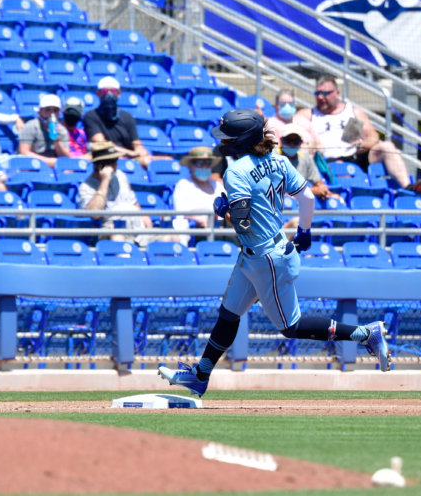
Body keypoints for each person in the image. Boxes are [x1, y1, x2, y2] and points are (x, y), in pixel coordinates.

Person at [158, 110, 391, 397]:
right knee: (228, 315)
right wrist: (304, 231)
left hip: (265, 257)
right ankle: (200, 375)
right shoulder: (278, 159)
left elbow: (242, 221)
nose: (222, 142)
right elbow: (306, 197)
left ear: (240, 139)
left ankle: (366, 334)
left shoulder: (237, 171)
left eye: (227, 137)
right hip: (260, 252)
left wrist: (222, 211)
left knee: (291, 327)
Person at [296, 75, 421, 193]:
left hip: (354, 155)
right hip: (325, 159)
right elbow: (292, 131)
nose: (320, 97)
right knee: (339, 167)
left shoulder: (352, 112)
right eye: (317, 93)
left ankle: (408, 187)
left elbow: (373, 137)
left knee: (387, 147)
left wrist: (362, 145)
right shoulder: (308, 114)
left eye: (325, 93)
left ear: (337, 93)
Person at [78, 141, 176, 246]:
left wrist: (143, 215)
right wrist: (105, 181)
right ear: (98, 165)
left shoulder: (121, 176)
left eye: (115, 160)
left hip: (136, 226)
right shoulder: (86, 187)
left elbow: (133, 202)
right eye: (109, 161)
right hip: (113, 229)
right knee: (118, 237)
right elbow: (94, 214)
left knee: (171, 237)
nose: (114, 165)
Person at [82, 76, 156, 168]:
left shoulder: (127, 117)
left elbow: (136, 143)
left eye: (113, 91)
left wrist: (140, 151)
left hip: (128, 160)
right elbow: (101, 143)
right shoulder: (91, 116)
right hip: (104, 158)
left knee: (164, 160)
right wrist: (129, 152)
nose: (109, 94)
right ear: (98, 94)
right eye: (105, 91)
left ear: (118, 93)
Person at [277, 123, 337, 230]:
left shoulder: (305, 157)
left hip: (298, 201)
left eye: (295, 141)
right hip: (279, 204)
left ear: (301, 142)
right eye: (288, 140)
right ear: (281, 140)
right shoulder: (273, 157)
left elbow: (319, 184)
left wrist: (323, 190)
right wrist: (312, 191)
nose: (291, 144)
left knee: (337, 199)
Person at [171, 146, 224, 246]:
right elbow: (180, 212)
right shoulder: (183, 185)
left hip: (219, 225)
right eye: (199, 163)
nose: (204, 167)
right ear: (190, 166)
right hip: (197, 228)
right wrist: (200, 219)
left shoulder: (217, 185)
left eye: (208, 163)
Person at [18, 93, 69, 167]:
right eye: (47, 110)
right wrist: (49, 162)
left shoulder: (62, 130)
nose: (52, 114)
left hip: (56, 165)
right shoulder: (31, 126)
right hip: (33, 164)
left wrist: (57, 141)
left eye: (55, 110)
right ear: (40, 112)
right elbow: (24, 152)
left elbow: (65, 157)